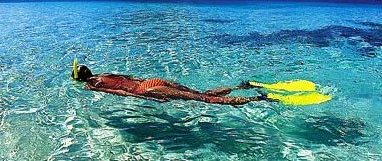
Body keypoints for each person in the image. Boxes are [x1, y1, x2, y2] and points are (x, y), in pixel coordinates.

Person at [72, 64, 274, 105]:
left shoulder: (92, 84)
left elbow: (122, 94)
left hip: (147, 88)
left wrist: (143, 96)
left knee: (204, 99)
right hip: (150, 81)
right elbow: (129, 76)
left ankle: (257, 98)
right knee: (200, 93)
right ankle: (241, 87)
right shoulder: (104, 73)